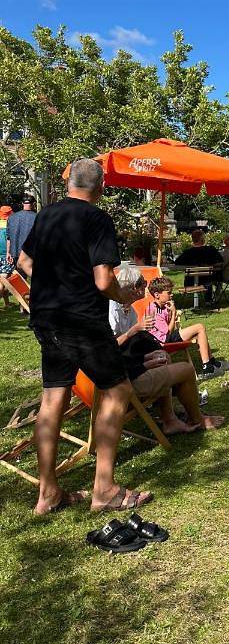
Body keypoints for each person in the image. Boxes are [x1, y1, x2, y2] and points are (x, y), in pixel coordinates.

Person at [17, 159, 153, 514]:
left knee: (52, 400)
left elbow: (23, 262)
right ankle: (104, 490)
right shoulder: (96, 218)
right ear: (101, 187)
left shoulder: (46, 215)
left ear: (67, 185)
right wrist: (123, 298)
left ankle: (48, 494)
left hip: (47, 319)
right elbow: (104, 281)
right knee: (118, 389)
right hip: (81, 320)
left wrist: (52, 287)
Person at [109, 264, 224, 433]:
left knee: (162, 357)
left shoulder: (128, 310)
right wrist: (135, 333)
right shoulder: (112, 311)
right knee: (185, 368)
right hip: (122, 381)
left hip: (125, 369)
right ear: (134, 288)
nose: (146, 289)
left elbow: (129, 348)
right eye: (143, 284)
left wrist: (146, 357)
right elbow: (109, 349)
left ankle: (169, 418)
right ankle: (195, 418)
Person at [146, 276, 229, 379]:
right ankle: (207, 367)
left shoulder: (163, 306)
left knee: (199, 331)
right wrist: (173, 313)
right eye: (169, 293)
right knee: (199, 327)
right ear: (157, 295)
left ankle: (211, 362)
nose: (172, 294)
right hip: (162, 342)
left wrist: (171, 313)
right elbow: (168, 332)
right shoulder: (154, 310)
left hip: (165, 337)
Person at [174, 229, 224, 302]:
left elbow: (177, 262)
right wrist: (210, 265)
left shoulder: (188, 252)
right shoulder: (211, 250)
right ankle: (210, 299)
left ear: (193, 240)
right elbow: (221, 263)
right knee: (212, 277)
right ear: (202, 239)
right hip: (208, 281)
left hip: (190, 281)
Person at [7, 195, 37, 275]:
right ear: (34, 204)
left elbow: (8, 237)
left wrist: (8, 252)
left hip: (15, 252)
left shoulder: (11, 217)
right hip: (30, 252)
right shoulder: (37, 217)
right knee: (34, 277)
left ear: (22, 203)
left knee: (20, 279)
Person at [0, 205, 13, 308]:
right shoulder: (10, 225)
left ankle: (7, 303)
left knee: (2, 281)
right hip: (5, 256)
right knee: (3, 282)